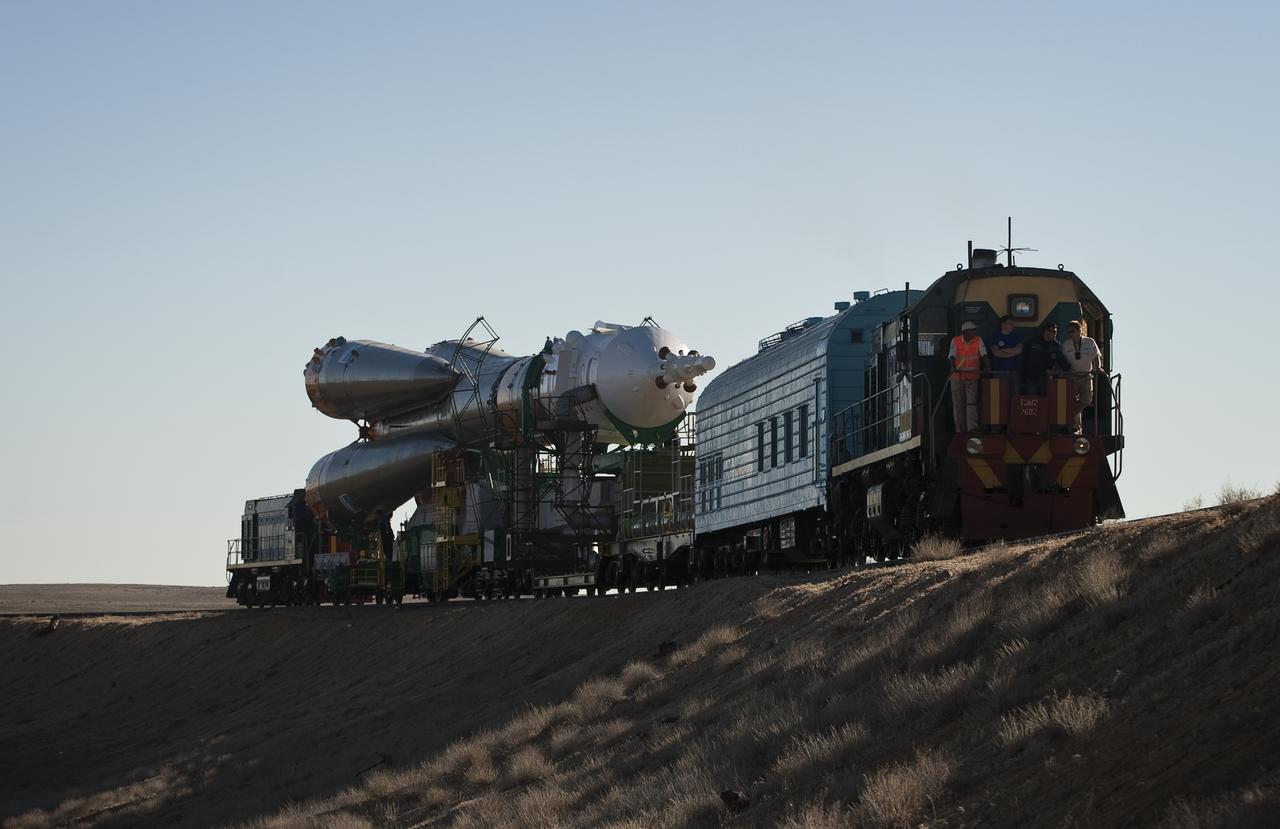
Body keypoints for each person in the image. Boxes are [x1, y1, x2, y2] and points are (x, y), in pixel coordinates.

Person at [1061, 319, 1103, 434]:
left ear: (1080, 330)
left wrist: (1098, 368)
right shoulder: (1066, 345)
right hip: (1072, 377)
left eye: (1072, 331)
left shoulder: (1090, 342)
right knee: (1071, 401)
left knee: (1086, 400)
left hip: (1086, 375)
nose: (1070, 334)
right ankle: (1075, 427)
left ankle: (1070, 417)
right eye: (1068, 332)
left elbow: (1096, 357)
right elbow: (1063, 361)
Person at [948, 321, 989, 433]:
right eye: (972, 330)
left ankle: (972, 428)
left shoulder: (978, 340)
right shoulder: (955, 341)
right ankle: (960, 429)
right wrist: (953, 367)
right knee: (958, 404)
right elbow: (951, 355)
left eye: (974, 330)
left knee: (972, 403)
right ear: (965, 332)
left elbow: (984, 353)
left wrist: (988, 367)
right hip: (957, 377)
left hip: (972, 377)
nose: (974, 332)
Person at [1020, 320, 1068, 395]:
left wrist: (1069, 368)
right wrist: (1044, 370)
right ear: (1045, 331)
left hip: (1047, 378)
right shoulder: (1034, 343)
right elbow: (1031, 360)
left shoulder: (1055, 345)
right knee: (1033, 400)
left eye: (1055, 332)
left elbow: (1061, 359)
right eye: (1052, 331)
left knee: (1046, 400)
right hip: (1032, 377)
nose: (1054, 334)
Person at [988, 315, 1023, 386]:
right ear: (1002, 324)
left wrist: (1003, 350)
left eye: (1013, 324)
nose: (1012, 326)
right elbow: (996, 353)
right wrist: (1013, 353)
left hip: (1014, 372)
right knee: (1000, 395)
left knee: (1015, 396)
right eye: (1009, 323)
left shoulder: (1016, 336)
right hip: (999, 372)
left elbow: (1019, 350)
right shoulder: (995, 336)